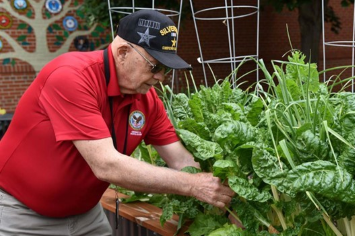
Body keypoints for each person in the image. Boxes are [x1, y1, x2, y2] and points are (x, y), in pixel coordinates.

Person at [0, 9, 234, 235]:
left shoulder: (147, 100)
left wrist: (228, 192)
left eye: (166, 70)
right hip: (22, 216)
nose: (160, 78)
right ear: (122, 53)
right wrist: (192, 185)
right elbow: (106, 165)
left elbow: (181, 160)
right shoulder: (71, 76)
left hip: (86, 217)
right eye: (155, 66)